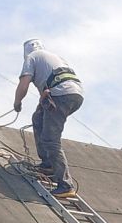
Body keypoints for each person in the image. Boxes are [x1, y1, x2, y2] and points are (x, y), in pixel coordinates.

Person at [13, 39, 84, 197]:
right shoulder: (53, 57)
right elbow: (54, 81)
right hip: (75, 94)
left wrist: (17, 102)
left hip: (61, 95)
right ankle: (48, 165)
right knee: (38, 118)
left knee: (50, 139)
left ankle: (65, 185)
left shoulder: (31, 58)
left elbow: (23, 84)